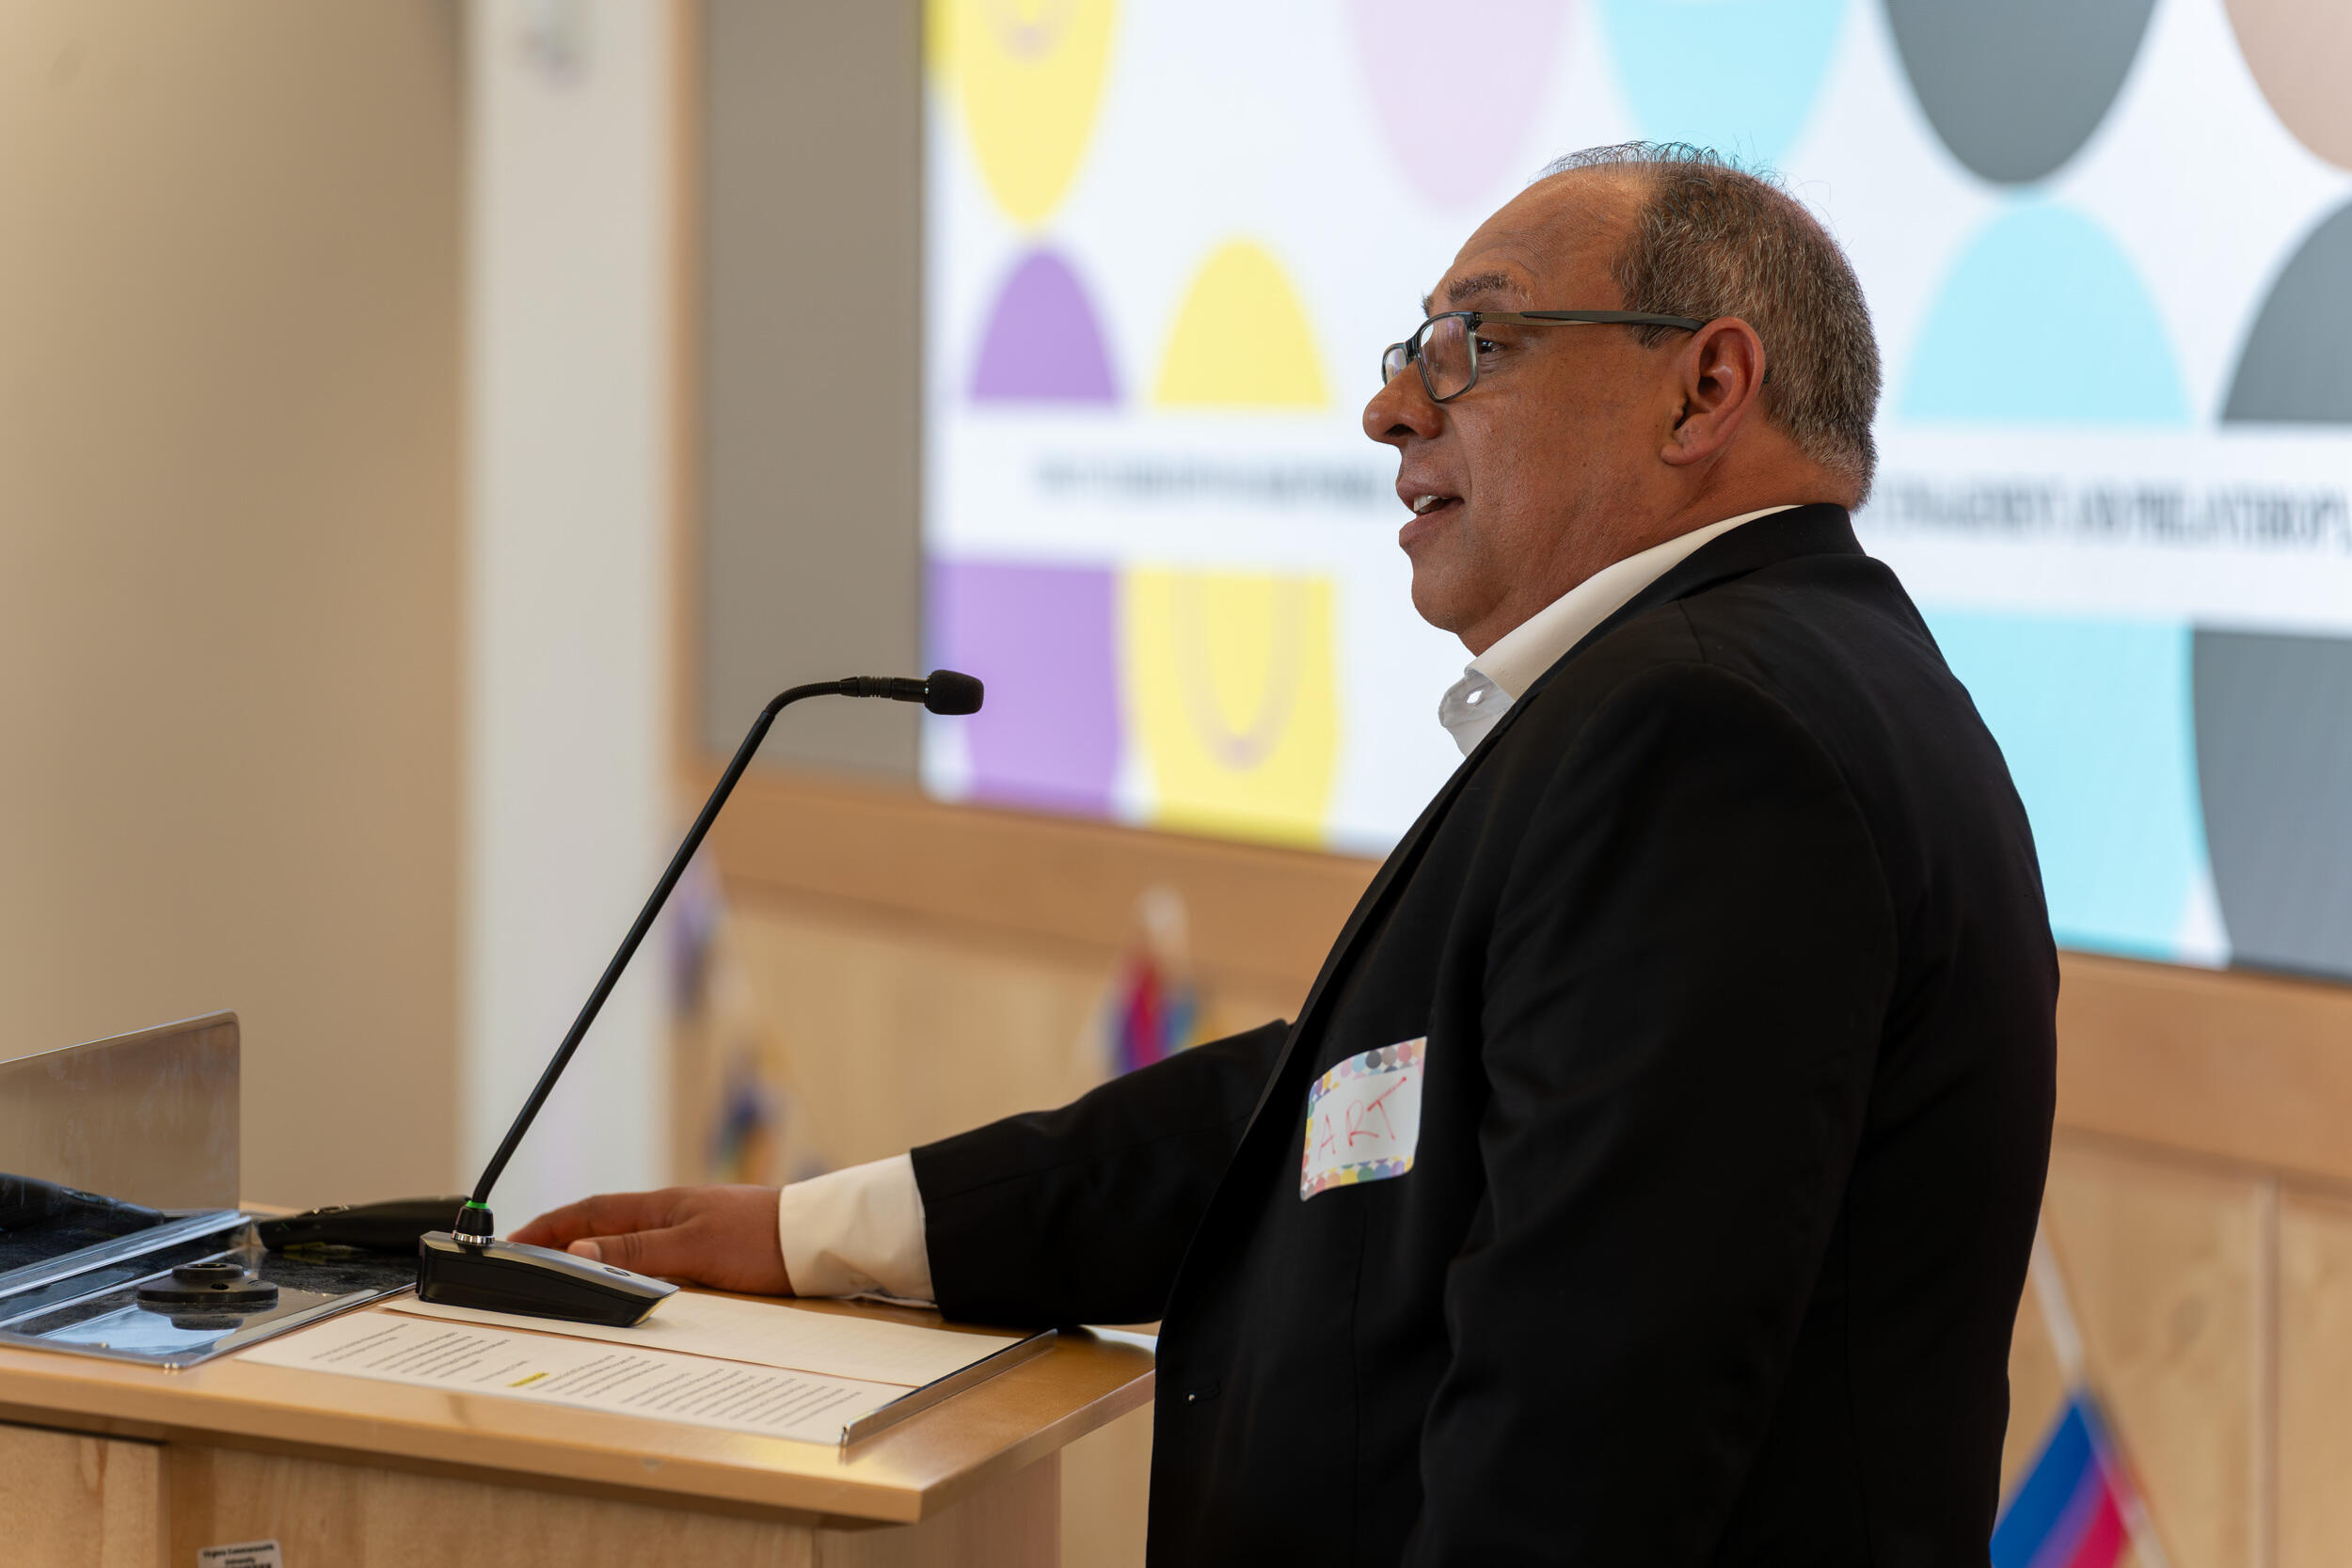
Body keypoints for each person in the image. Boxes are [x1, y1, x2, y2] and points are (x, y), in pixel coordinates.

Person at [517, 143, 2057, 1564]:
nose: (1394, 408)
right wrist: (819, 1233)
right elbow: (1347, 1108)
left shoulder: (1713, 740)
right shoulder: (1745, 691)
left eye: (1482, 344)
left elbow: (1584, 1431)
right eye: (1409, 352)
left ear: (1703, 386)